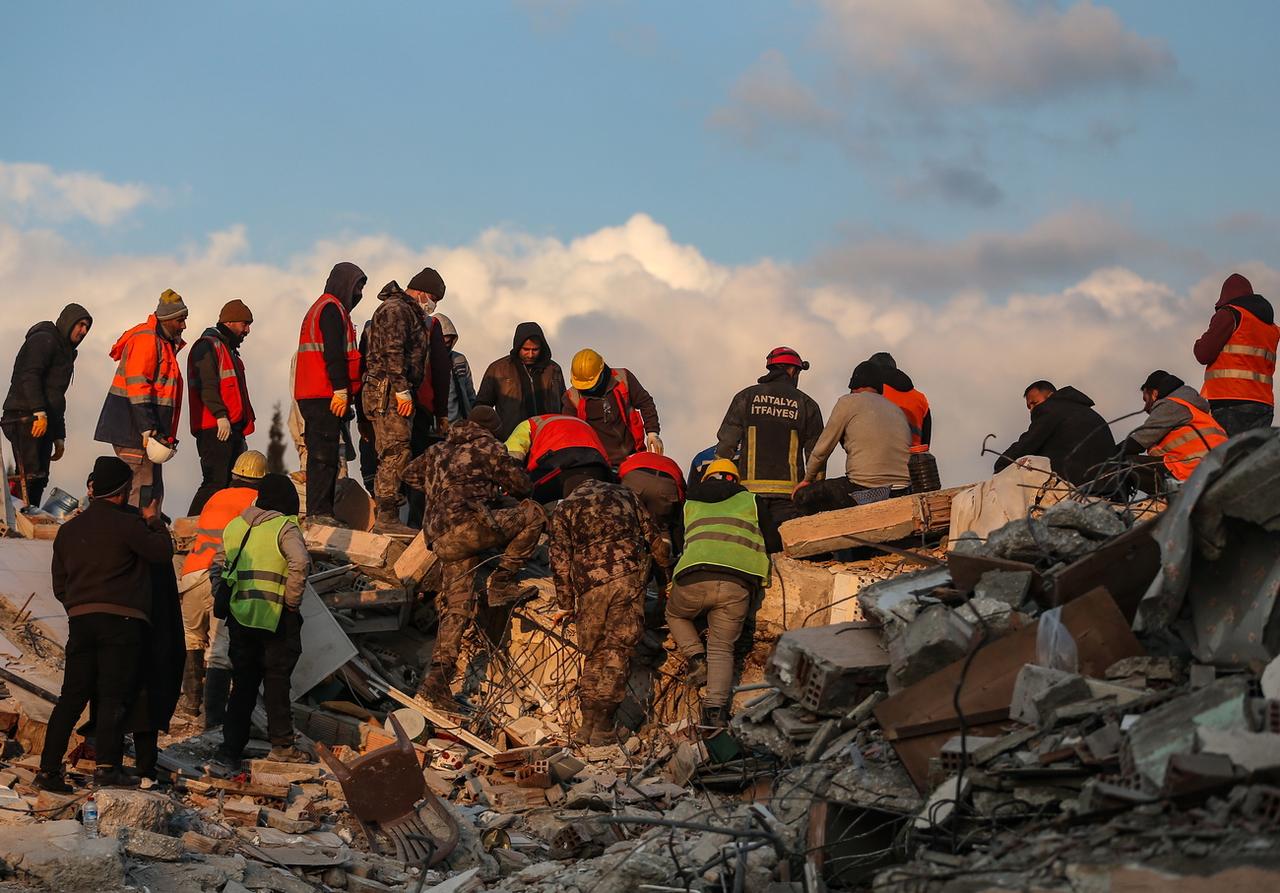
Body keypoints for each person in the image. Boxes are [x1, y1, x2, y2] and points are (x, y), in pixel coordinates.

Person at [33, 456, 173, 792]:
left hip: (81, 621)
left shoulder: (68, 530)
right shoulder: (129, 525)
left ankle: (49, 772)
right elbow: (161, 553)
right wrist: (153, 521)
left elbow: (60, 585)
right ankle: (107, 769)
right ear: (124, 491)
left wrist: (80, 605)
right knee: (113, 696)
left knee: (71, 697)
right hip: (123, 622)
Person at [403, 406, 546, 709]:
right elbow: (523, 486)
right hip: (467, 529)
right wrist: (484, 491)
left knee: (456, 609)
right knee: (534, 514)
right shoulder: (490, 447)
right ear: (493, 429)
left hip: (440, 538)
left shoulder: (438, 449)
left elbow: (409, 474)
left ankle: (436, 682)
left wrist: (441, 490)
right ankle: (503, 582)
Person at [548, 473, 673, 745]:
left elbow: (559, 560)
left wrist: (565, 604)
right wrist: (666, 580)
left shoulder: (564, 508)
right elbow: (655, 542)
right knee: (616, 650)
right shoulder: (626, 495)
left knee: (594, 653)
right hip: (626, 578)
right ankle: (604, 726)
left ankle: (587, 725)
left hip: (589, 588)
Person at [215, 473, 312, 766]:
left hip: (240, 617)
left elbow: (219, 565)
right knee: (276, 682)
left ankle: (229, 751)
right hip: (274, 618)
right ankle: (282, 745)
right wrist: (292, 601)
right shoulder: (284, 527)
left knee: (243, 685)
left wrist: (224, 598)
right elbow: (301, 561)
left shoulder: (235, 526)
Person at [666, 459, 770, 732]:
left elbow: (679, 540)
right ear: (735, 480)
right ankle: (714, 715)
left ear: (706, 478)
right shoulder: (751, 500)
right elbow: (773, 538)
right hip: (738, 580)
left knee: (675, 614)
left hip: (693, 575)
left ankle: (697, 659)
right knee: (723, 648)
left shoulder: (689, 503)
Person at [175, 449, 267, 727]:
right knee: (218, 649)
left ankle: (190, 703)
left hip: (192, 573)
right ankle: (213, 718)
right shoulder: (255, 501)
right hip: (221, 577)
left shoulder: (216, 496)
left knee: (191, 638)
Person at [714, 347, 823, 552]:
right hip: (790, 496)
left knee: (750, 549)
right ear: (792, 371)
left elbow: (726, 444)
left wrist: (723, 483)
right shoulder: (806, 404)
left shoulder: (746, 397)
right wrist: (815, 490)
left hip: (750, 495)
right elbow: (817, 453)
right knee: (785, 551)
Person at [94, 289, 188, 512]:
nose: (184, 326)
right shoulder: (147, 340)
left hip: (145, 432)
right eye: (180, 320)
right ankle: (135, 532)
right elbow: (138, 387)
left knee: (150, 487)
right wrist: (146, 427)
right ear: (166, 319)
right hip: (134, 431)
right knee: (140, 487)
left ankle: (141, 531)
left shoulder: (161, 340)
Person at [361, 279, 435, 535]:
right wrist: (401, 389)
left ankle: (390, 514)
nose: (432, 304)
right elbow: (393, 351)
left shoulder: (403, 310)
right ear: (422, 292)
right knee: (395, 450)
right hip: (388, 390)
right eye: (433, 297)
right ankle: (387, 516)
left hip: (391, 389)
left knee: (398, 450)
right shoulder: (397, 310)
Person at [295, 262, 365, 526]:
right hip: (322, 393)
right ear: (344, 284)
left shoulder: (325, 308)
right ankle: (320, 513)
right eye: (357, 286)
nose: (359, 293)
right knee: (323, 455)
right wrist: (340, 389)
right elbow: (333, 353)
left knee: (322, 453)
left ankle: (321, 511)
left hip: (317, 392)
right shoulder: (331, 310)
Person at [2, 303, 93, 506]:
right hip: (23, 415)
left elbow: (57, 396)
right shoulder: (44, 339)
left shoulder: (66, 352)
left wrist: (59, 435)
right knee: (30, 473)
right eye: (80, 325)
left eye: (87, 327)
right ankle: (17, 516)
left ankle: (28, 512)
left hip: (42, 418)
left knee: (40, 476)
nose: (84, 331)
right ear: (69, 323)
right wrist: (38, 411)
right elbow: (29, 375)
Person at [795, 361, 911, 514]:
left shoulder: (848, 402)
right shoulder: (896, 409)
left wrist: (807, 480)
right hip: (902, 489)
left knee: (802, 497)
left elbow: (822, 450)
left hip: (865, 489)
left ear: (853, 386)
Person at [186, 300, 256, 515]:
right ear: (230, 322)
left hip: (229, 427)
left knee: (225, 485)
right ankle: (191, 527)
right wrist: (220, 415)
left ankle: (211, 527)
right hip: (214, 427)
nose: (247, 330)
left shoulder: (228, 350)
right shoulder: (208, 346)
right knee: (214, 482)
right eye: (245, 324)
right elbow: (207, 384)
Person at [1194, 272, 1278, 435]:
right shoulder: (1271, 327)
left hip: (1230, 401)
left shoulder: (1229, 313)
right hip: (1263, 404)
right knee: (1251, 458)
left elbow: (1203, 353)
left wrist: (1199, 342)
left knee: (1227, 457)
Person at [1119, 370, 1228, 495]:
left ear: (1154, 393)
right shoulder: (1196, 409)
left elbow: (1139, 441)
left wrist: (1109, 454)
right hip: (1211, 471)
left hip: (1189, 472)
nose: (1146, 407)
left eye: (1146, 399)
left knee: (1122, 466)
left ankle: (1112, 504)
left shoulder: (1171, 405)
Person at [994, 381, 1116, 488]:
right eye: (1029, 407)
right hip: (1109, 484)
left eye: (1034, 403)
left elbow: (1029, 442)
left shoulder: (1051, 409)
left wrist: (1001, 465)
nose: (1032, 410)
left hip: (1076, 483)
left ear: (1050, 396)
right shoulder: (1087, 412)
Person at [562, 348, 661, 466]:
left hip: (634, 455)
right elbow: (569, 433)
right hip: (601, 464)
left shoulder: (623, 378)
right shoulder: (572, 399)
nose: (587, 389)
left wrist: (652, 432)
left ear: (602, 372)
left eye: (591, 385)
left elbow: (646, 402)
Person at [475, 322, 566, 440]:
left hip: (548, 438)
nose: (530, 354)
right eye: (526, 349)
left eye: (535, 349)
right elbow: (481, 407)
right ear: (518, 346)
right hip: (511, 439)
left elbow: (564, 404)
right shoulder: (498, 369)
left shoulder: (553, 369)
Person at [506, 413, 612, 503]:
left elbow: (511, 456)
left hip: (553, 466)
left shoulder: (528, 424)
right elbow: (603, 454)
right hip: (596, 466)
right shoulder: (581, 423)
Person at [619, 452, 687, 554]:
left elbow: (618, 478)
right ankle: (666, 561)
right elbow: (681, 496)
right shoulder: (670, 463)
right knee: (662, 529)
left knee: (628, 524)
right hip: (666, 484)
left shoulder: (630, 459)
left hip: (635, 479)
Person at [868, 352, 932, 450]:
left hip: (884, 458)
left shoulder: (874, 394)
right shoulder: (920, 399)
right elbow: (925, 443)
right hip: (915, 461)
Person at [435, 313, 477, 422]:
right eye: (442, 342)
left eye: (449, 342)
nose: (445, 346)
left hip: (457, 424)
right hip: (430, 425)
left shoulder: (459, 360)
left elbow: (470, 394)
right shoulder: (423, 360)